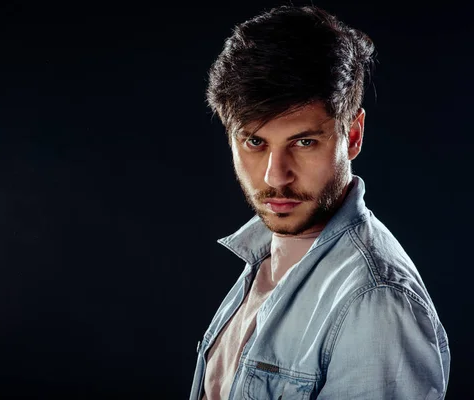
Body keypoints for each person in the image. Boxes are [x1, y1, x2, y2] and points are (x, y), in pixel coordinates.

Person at [189, 5, 450, 400]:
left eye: (304, 142)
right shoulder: (264, 258)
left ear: (354, 135)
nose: (276, 176)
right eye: (255, 142)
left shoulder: (375, 301)